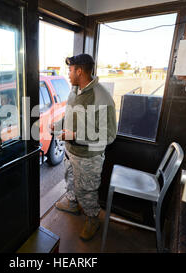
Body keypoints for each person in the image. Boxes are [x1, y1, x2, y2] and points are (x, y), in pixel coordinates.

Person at [52, 53, 117, 241]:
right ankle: (72, 204)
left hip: (89, 156)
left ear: (79, 71)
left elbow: (109, 134)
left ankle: (92, 218)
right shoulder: (74, 90)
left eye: (70, 70)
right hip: (71, 151)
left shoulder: (101, 96)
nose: (68, 73)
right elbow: (70, 116)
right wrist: (57, 126)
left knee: (86, 190)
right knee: (70, 180)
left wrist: (75, 136)